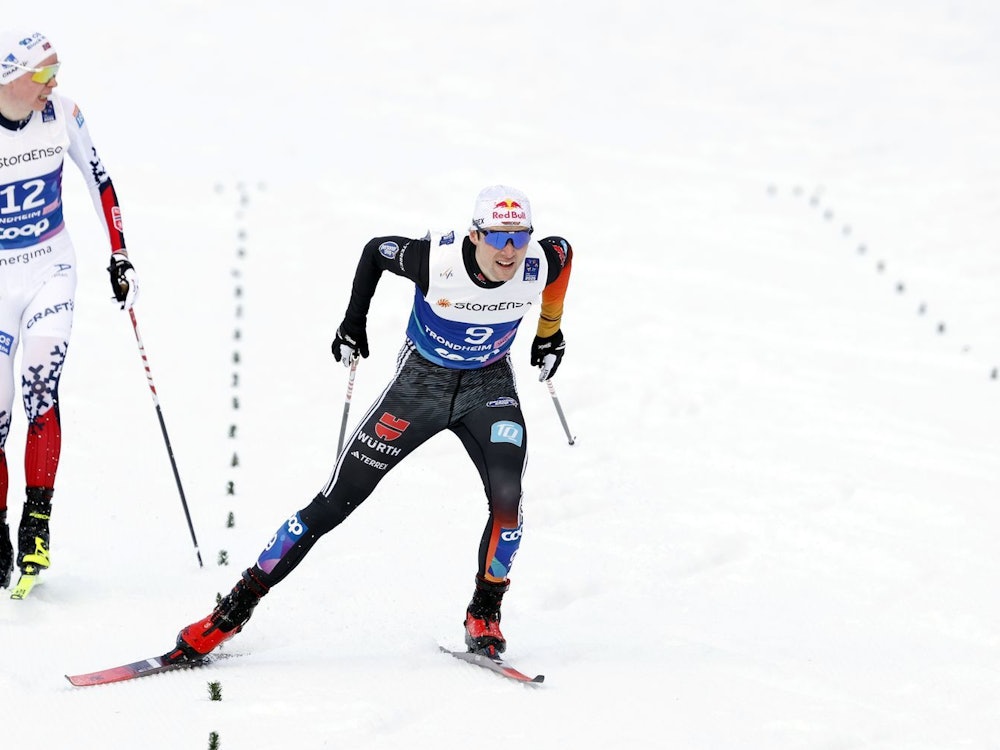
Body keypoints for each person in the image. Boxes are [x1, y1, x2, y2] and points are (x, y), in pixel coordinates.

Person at [171, 184, 572, 661]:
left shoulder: (541, 261)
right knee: (332, 505)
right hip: (420, 386)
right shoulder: (433, 262)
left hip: (489, 388)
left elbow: (564, 258)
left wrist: (550, 333)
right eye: (497, 238)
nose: (509, 251)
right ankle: (232, 611)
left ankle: (484, 612)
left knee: (509, 505)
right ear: (474, 235)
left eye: (519, 237)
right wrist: (353, 322)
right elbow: (374, 252)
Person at [0, 30, 138, 591]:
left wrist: (120, 254)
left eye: (56, 72)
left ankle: (37, 522)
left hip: (51, 269)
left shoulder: (64, 114)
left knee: (40, 389)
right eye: (42, 75)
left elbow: (99, 180)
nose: (53, 83)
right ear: (10, 77)